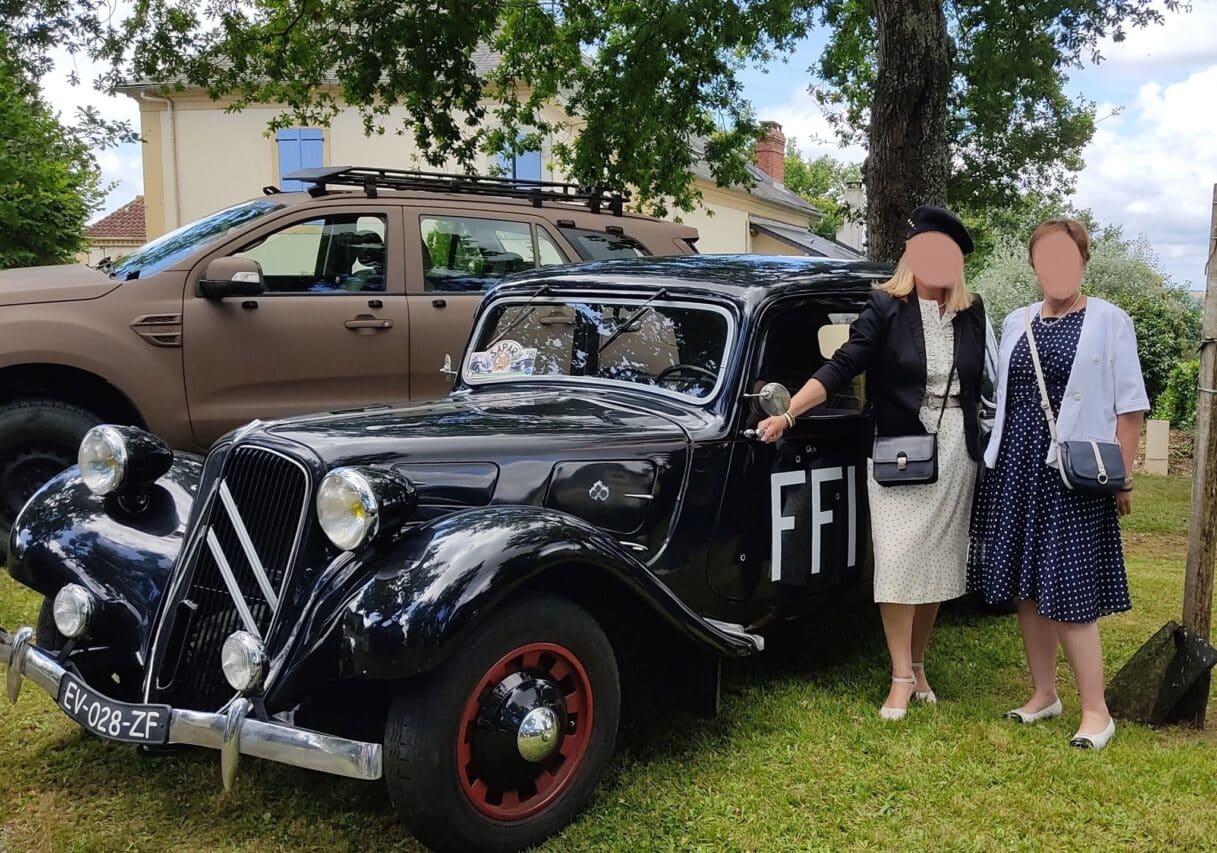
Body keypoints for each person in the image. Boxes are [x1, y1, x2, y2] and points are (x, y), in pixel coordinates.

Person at [758, 205, 989, 721]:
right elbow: (843, 366)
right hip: (899, 449)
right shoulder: (885, 305)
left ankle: (921, 666)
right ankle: (900, 676)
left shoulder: (972, 313)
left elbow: (987, 382)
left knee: (935, 564)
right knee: (900, 559)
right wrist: (789, 413)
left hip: (955, 448)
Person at [969, 218, 1148, 750]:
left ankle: (1097, 711)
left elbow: (1131, 406)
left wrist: (1124, 476)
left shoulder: (1109, 320)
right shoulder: (1014, 321)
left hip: (1074, 474)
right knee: (1027, 589)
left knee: (1069, 591)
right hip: (1018, 469)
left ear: (1083, 262)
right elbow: (1005, 399)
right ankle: (1044, 693)